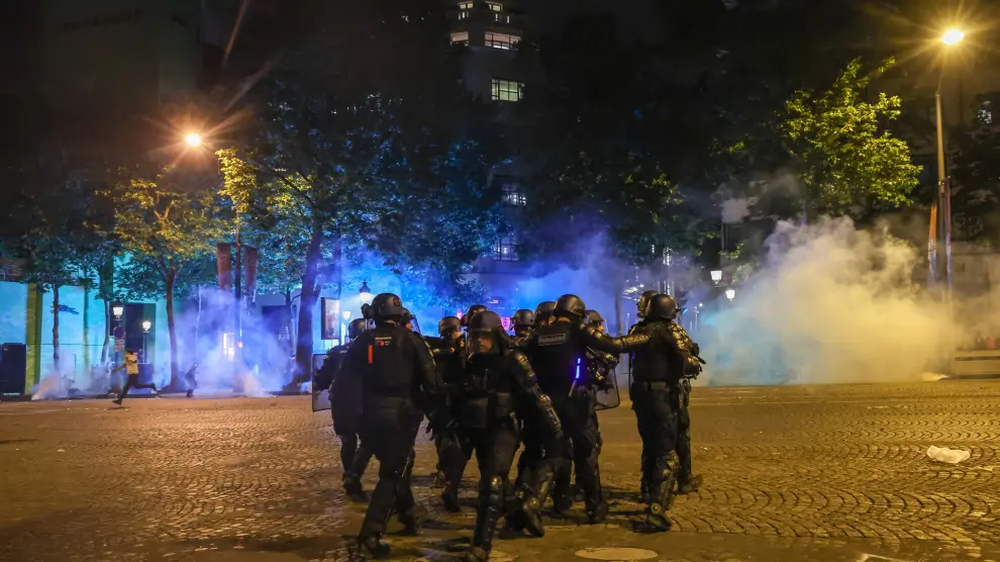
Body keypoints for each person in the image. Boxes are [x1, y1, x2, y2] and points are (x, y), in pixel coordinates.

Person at [515, 294, 648, 534]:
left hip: (549, 403)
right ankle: (594, 507)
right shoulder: (578, 329)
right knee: (587, 452)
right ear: (577, 312)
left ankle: (531, 503)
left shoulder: (540, 333)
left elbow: (517, 354)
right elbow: (614, 345)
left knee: (554, 454)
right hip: (577, 401)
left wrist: (532, 382)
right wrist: (644, 337)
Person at [445, 311, 562, 562]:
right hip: (474, 428)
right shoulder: (467, 361)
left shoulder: (513, 359)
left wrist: (555, 428)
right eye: (475, 336)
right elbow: (452, 394)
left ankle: (480, 545)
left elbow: (535, 394)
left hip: (503, 429)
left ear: (496, 335)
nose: (480, 342)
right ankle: (518, 512)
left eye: (485, 336)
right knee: (496, 480)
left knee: (493, 482)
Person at [342, 293, 451, 561]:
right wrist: (437, 413)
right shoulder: (412, 341)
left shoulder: (362, 342)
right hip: (402, 417)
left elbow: (345, 381)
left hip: (369, 415)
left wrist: (352, 420)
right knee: (392, 473)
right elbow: (432, 381)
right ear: (400, 314)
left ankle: (409, 514)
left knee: (396, 467)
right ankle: (369, 536)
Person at [629, 294, 699, 531]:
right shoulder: (669, 332)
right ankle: (657, 507)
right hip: (663, 395)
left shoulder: (638, 330)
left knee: (650, 445)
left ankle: (647, 489)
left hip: (640, 394)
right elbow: (687, 359)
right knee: (667, 450)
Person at [327, 318, 371, 501]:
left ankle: (348, 473)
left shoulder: (336, 351)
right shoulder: (369, 351)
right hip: (363, 401)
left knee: (347, 440)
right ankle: (353, 475)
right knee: (369, 441)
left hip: (340, 402)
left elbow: (322, 378)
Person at [668, 305, 705, 495]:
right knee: (681, 434)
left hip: (645, 395)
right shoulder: (674, 330)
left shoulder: (638, 330)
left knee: (652, 441)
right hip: (672, 391)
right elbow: (690, 351)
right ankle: (684, 479)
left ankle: (649, 486)